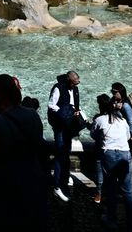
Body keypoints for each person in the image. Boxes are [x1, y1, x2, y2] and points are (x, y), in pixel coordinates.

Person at [0, 73, 47, 230]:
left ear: (0, 95)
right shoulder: (33, 115)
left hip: (7, 177)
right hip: (32, 174)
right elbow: (38, 142)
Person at [93, 93, 132, 232]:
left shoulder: (100, 119)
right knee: (128, 192)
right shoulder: (123, 121)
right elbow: (127, 136)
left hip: (109, 154)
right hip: (125, 154)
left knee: (111, 189)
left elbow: (93, 134)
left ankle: (111, 219)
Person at [47, 70, 86, 202]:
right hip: (60, 125)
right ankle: (57, 185)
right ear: (69, 80)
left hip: (70, 125)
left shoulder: (74, 88)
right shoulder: (58, 88)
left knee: (66, 151)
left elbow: (75, 104)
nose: (77, 83)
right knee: (60, 153)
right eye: (75, 80)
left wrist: (77, 114)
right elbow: (51, 105)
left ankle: (64, 176)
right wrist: (66, 112)